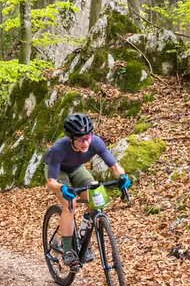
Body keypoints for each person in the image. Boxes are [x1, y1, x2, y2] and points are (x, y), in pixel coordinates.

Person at [44, 113, 131, 265]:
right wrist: (62, 187)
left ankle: (83, 235)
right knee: (70, 204)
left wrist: (122, 177)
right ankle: (67, 250)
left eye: (87, 137)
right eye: (80, 139)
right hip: (58, 172)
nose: (85, 143)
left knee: (95, 197)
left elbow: (115, 167)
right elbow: (51, 182)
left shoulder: (96, 142)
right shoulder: (59, 148)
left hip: (77, 168)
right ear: (71, 138)